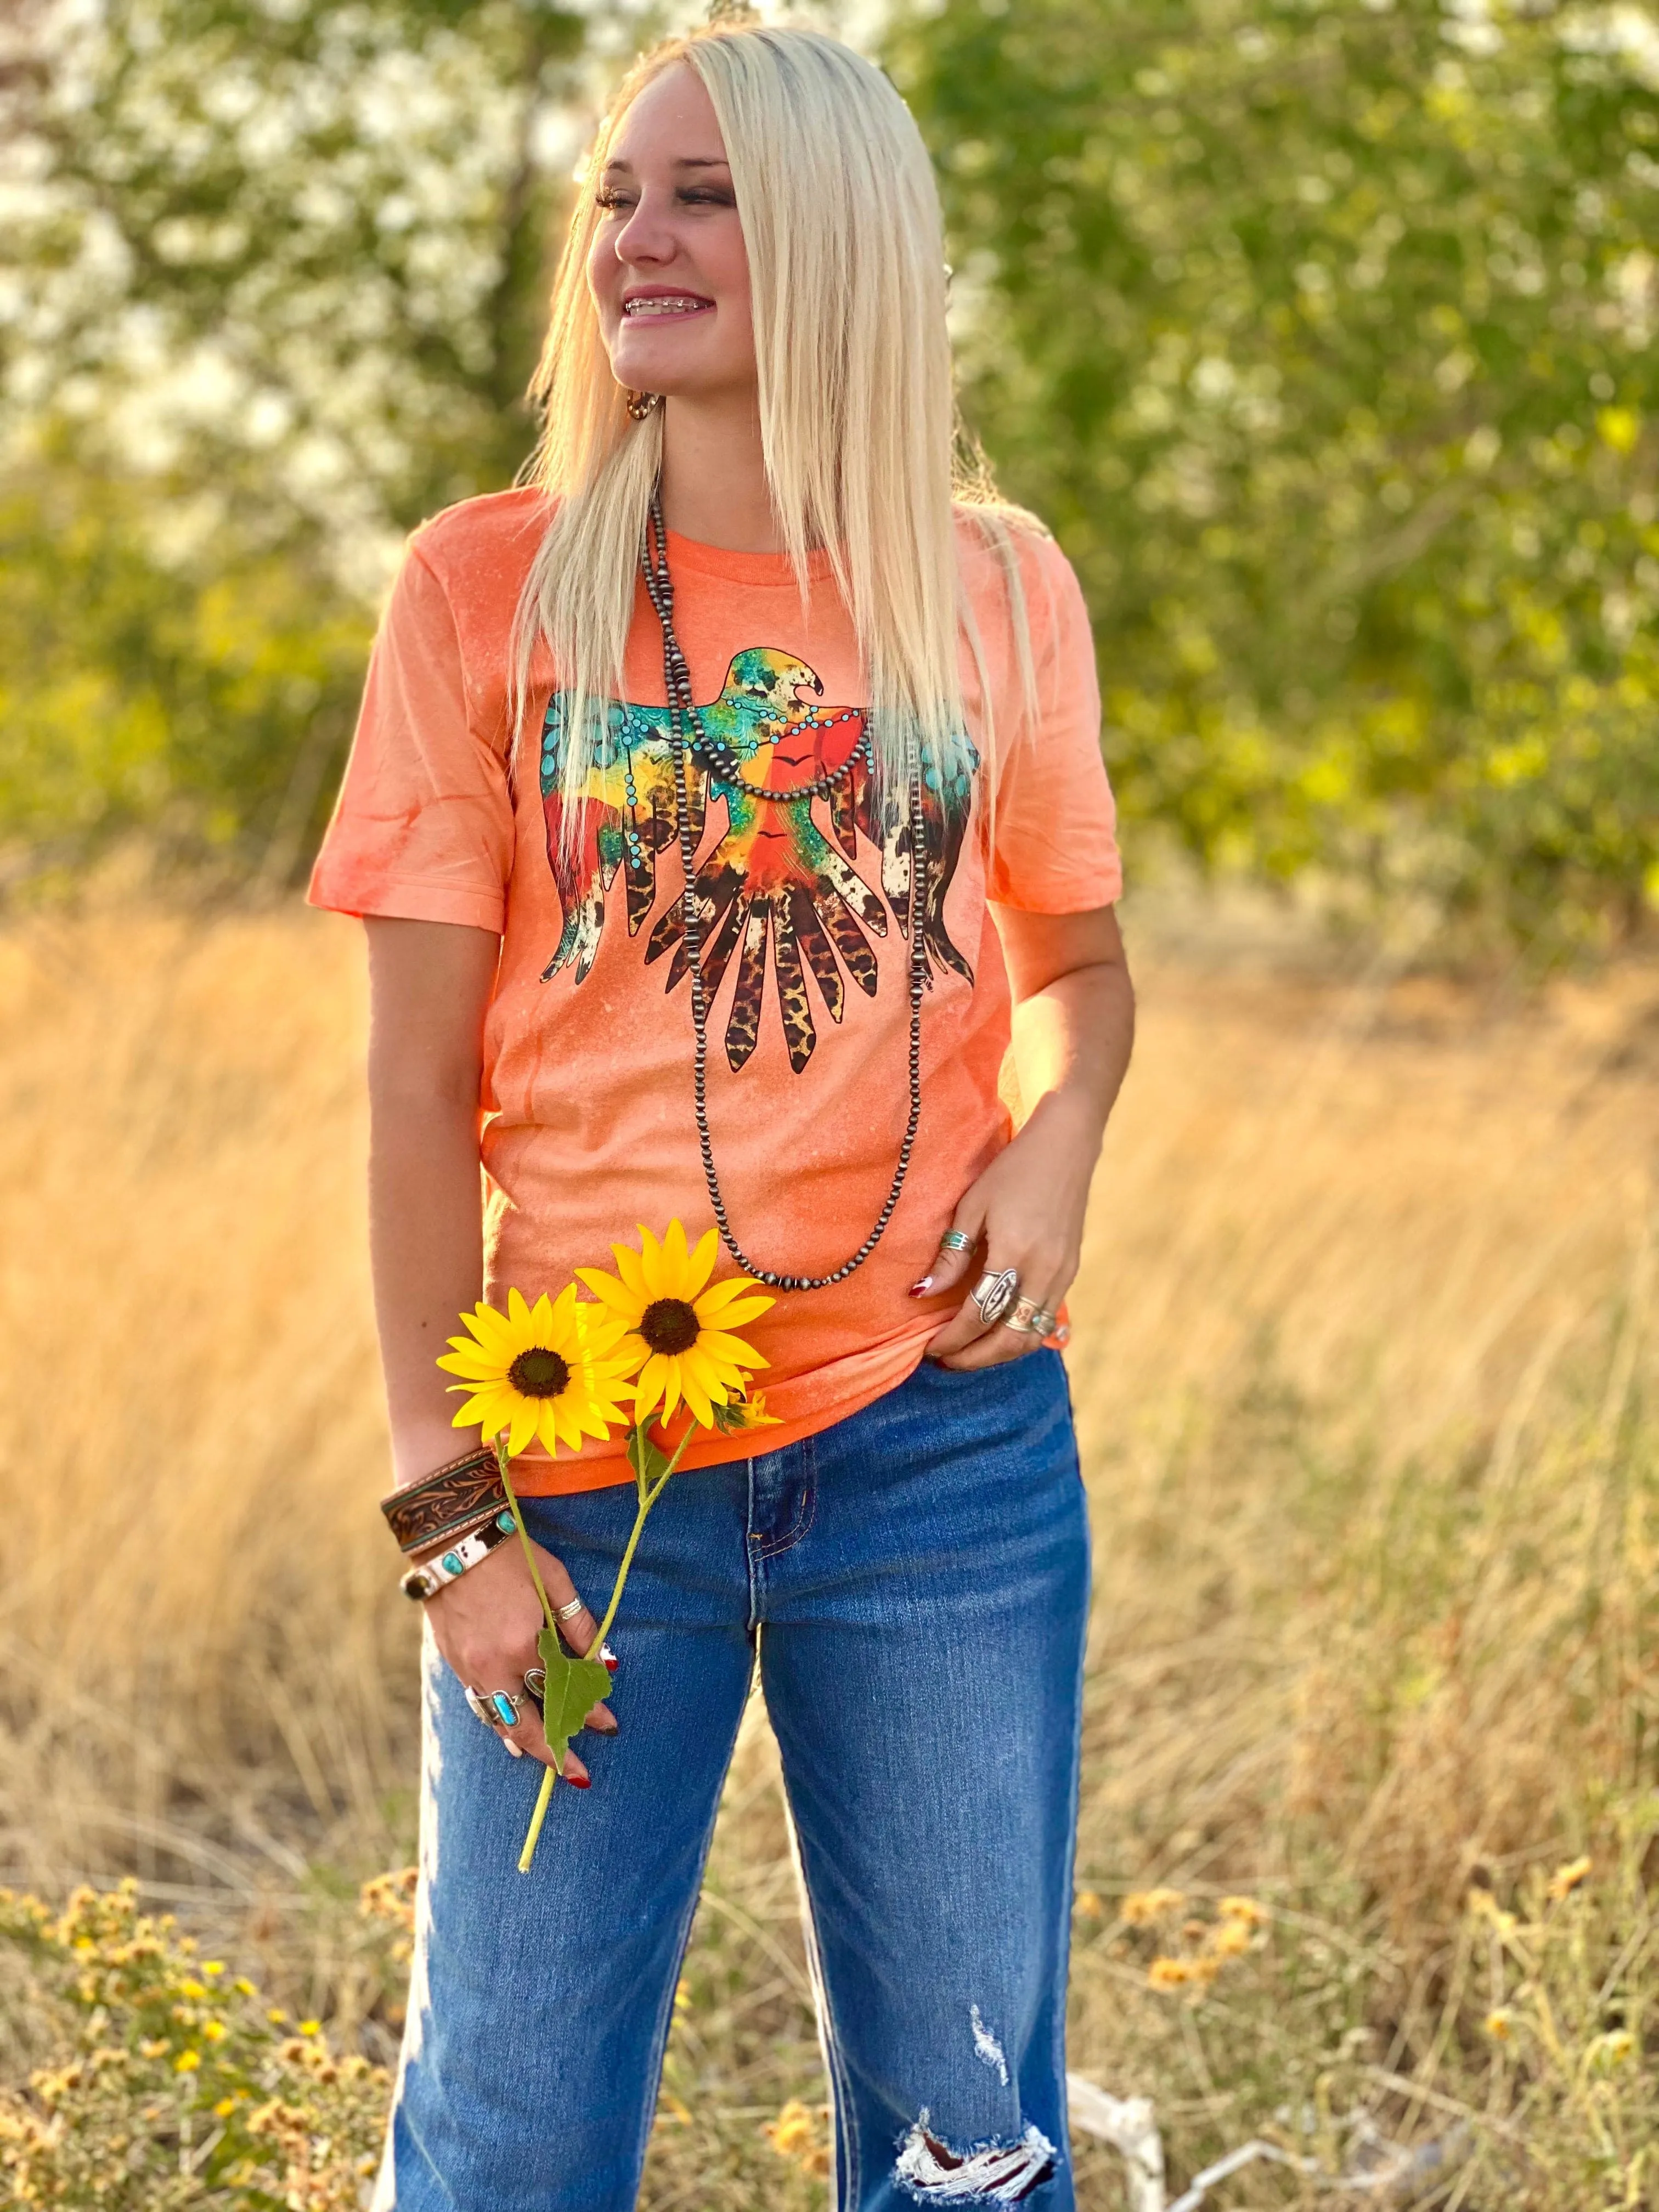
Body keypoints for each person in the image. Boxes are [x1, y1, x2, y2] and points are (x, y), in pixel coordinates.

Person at [309, 20, 1133, 2210]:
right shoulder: (487, 591)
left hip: (942, 1456)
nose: (636, 240)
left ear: (842, 238)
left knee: (974, 2142)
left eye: (705, 195)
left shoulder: (999, 593)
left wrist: (1060, 1145)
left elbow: (1082, 967)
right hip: (584, 1479)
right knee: (505, 2145)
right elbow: (407, 1081)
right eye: (617, 195)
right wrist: (446, 1507)